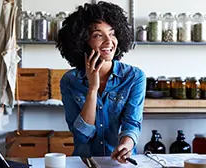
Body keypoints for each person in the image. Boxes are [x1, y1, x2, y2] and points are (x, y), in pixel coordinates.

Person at [57, 1, 146, 164]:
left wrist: (126, 145)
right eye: (98, 35)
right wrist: (93, 88)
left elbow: (132, 124)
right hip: (84, 162)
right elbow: (81, 135)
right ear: (83, 40)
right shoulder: (70, 81)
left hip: (120, 162)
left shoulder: (134, 77)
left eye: (112, 34)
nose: (109, 41)